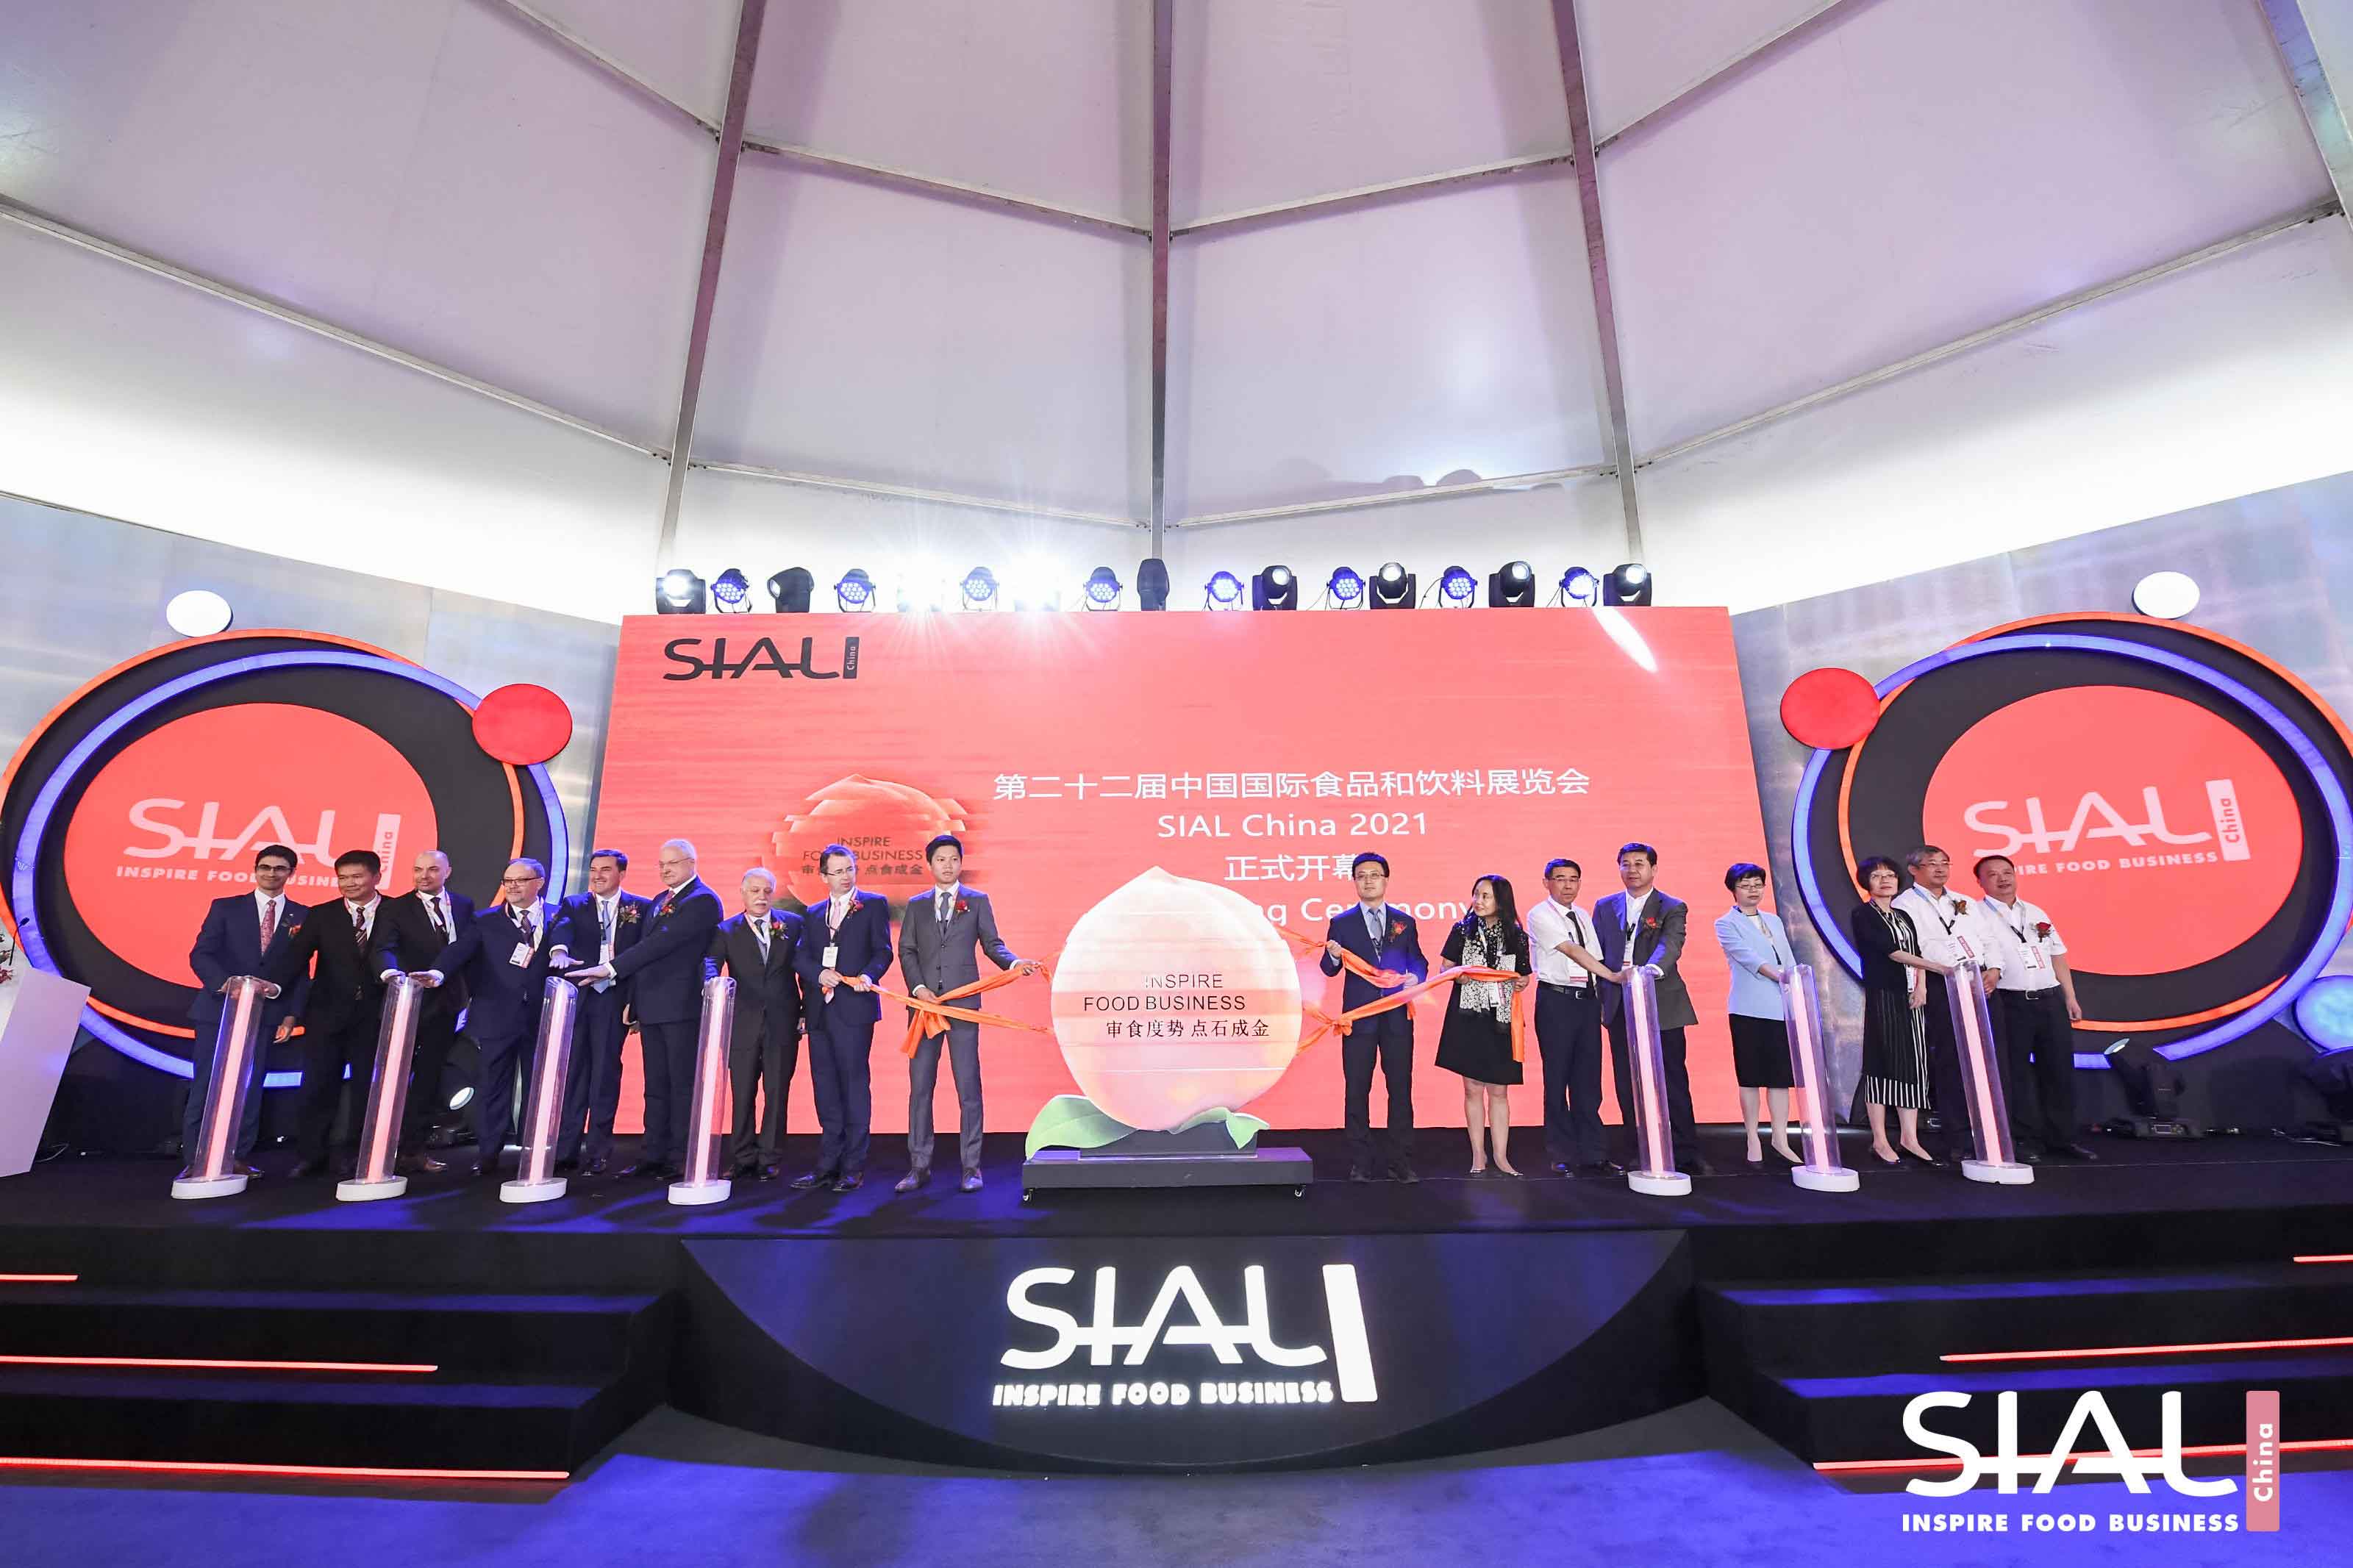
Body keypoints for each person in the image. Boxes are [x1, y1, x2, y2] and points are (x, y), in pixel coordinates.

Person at [565, 839, 721, 1181]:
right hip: (651, 1007)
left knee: (681, 1085)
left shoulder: (703, 900)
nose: (666, 869)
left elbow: (660, 944)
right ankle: (653, 1155)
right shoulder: (660, 900)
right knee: (655, 1086)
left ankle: (680, 1157)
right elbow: (645, 956)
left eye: (673, 863)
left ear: (691, 863)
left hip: (681, 1007)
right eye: (661, 864)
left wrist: (610, 969)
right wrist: (633, 1003)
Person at [896, 834, 1039, 1193]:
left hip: (963, 1007)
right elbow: (907, 950)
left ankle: (971, 1168)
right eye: (941, 859)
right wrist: (918, 988)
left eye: (954, 859)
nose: (948, 865)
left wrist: (1014, 964)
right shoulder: (916, 905)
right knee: (920, 1089)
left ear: (961, 863)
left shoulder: (976, 901)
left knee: (968, 1087)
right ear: (930, 865)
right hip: (925, 1008)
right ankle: (918, 1166)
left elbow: (993, 945)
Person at [419, 858, 561, 1178]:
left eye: (520, 880)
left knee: (543, 1085)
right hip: (497, 1014)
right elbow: (458, 951)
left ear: (539, 882)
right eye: (508, 880)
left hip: (545, 1015)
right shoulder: (485, 921)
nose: (512, 886)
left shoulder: (559, 915)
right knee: (493, 1084)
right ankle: (488, 1152)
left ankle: (539, 1149)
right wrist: (437, 972)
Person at [269, 849, 405, 1178]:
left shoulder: (398, 911)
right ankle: (311, 1155)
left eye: (357, 876)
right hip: (326, 1014)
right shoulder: (322, 914)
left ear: (377, 877)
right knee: (317, 1085)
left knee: (367, 1088)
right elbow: (295, 958)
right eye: (342, 878)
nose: (349, 884)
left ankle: (360, 1154)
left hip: (377, 1015)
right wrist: (272, 985)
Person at [179, 842, 307, 1180]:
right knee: (206, 1084)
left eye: (279, 868)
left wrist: (290, 1013)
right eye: (265, 867)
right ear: (255, 870)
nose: (271, 874)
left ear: (291, 873)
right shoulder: (226, 907)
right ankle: (196, 1157)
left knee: (250, 1086)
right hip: (217, 1011)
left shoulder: (303, 915)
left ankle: (237, 1156)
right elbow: (201, 954)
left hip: (266, 1014)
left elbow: (300, 969)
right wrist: (226, 984)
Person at [1593, 843, 1710, 1175]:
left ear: (1654, 869)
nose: (1632, 870)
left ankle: (1685, 1150)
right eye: (1625, 864)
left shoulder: (1672, 906)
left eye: (1639, 864)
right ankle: (1639, 1146)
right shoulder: (1605, 906)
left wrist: (1648, 973)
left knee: (1673, 1078)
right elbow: (1597, 950)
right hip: (1619, 1002)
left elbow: (1671, 944)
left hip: (1662, 1001)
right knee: (1627, 1079)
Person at [1974, 854, 2097, 1161]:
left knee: (2059, 1070)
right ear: (1980, 882)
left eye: (2007, 872)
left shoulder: (2035, 911)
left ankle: (2062, 1138)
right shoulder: (1976, 915)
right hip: (2010, 1001)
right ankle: (2023, 1139)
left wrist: (2070, 997)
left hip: (2050, 1000)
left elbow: (2058, 956)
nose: (2003, 879)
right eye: (1993, 874)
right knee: (2015, 1074)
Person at [1319, 851, 1429, 1183]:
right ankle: (1360, 1161)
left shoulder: (1404, 921)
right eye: (1362, 876)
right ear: (1354, 882)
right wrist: (1333, 956)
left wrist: (1416, 976)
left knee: (1400, 1088)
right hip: (1360, 1018)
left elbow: (1419, 960)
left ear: (1386, 880)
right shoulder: (1342, 923)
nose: (1368, 881)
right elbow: (1329, 969)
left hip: (1396, 1017)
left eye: (1374, 875)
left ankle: (1400, 1160)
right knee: (1357, 1089)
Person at [793, 843, 894, 1192]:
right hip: (819, 1010)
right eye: (837, 871)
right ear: (824, 877)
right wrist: (819, 973)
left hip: (854, 1008)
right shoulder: (812, 913)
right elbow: (800, 958)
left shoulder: (873, 905)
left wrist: (868, 975)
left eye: (849, 869)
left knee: (853, 1084)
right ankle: (826, 1165)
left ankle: (853, 1166)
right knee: (825, 1086)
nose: (845, 876)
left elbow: (883, 951)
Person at [1893, 845, 2004, 1159]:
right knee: (1952, 1061)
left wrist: (1994, 969)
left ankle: (1997, 1133)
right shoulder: (1904, 904)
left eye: (1945, 863)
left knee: (1993, 1058)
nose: (1940, 869)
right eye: (1932, 864)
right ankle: (1959, 1138)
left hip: (1981, 983)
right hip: (1942, 983)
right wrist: (1948, 970)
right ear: (1914, 870)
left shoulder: (1964, 900)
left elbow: (1988, 939)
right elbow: (1915, 947)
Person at [547, 848, 650, 1174]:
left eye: (605, 870)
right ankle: (566, 1149)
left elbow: (644, 958)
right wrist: (559, 951)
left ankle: (598, 1150)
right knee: (574, 1072)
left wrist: (636, 1003)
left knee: (605, 1073)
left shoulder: (641, 907)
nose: (597, 876)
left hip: (614, 999)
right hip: (580, 996)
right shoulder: (575, 904)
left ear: (622, 874)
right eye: (593, 870)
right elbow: (562, 928)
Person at [709, 867, 805, 1181]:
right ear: (743, 893)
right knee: (742, 1093)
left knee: (777, 1092)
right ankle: (743, 1157)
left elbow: (806, 969)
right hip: (742, 1023)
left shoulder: (793, 924)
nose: (761, 897)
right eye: (755, 891)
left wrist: (805, 1010)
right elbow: (711, 963)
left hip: (783, 1021)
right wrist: (712, 984)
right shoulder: (726, 930)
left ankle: (770, 1157)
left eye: (767, 891)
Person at [1435, 875, 1532, 1177]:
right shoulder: (1462, 930)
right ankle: (1479, 1154)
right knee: (1472, 1088)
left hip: (1501, 1019)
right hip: (1468, 1017)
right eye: (1476, 894)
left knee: (1499, 1091)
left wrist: (1522, 983)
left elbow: (1524, 975)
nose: (1478, 901)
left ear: (1501, 900)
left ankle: (1501, 1156)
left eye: (1486, 896)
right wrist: (1457, 975)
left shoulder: (1517, 935)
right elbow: (1445, 968)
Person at [1527, 858, 1618, 1177]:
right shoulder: (1539, 914)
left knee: (1589, 1081)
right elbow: (1571, 950)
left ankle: (1594, 1153)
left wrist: (1602, 996)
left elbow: (1594, 957)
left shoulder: (1582, 915)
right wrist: (1613, 976)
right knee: (1557, 1079)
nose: (1568, 885)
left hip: (1587, 1002)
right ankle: (1561, 1153)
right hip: (1557, 1002)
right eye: (1560, 879)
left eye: (1573, 879)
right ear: (1547, 882)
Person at [1852, 856, 1945, 1166]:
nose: (1885, 881)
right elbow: (1891, 952)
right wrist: (1938, 967)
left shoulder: (1903, 915)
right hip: (1885, 995)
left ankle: (1909, 1138)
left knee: (1914, 1063)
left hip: (1911, 997)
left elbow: (1915, 951)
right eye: (1877, 876)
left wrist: (1922, 986)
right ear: (1867, 883)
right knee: (1882, 1062)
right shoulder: (1863, 914)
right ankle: (1880, 1139)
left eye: (1890, 875)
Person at [386, 848, 474, 1173]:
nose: (424, 876)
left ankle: (415, 1149)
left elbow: (467, 949)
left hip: (446, 1005)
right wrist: (392, 975)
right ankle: (380, 1149)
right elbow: (384, 948)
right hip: (406, 1004)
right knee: (392, 1079)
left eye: (432, 870)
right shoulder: (395, 907)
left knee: (429, 1079)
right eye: (418, 869)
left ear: (447, 872)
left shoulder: (463, 905)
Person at [1713, 862, 1799, 1168]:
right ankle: (1752, 1137)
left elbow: (1788, 958)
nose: (1753, 890)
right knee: (1750, 1076)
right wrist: (1781, 975)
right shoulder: (1726, 924)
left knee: (1780, 1077)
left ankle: (1780, 1139)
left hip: (1781, 1008)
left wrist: (1795, 983)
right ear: (1733, 890)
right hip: (1747, 1008)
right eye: (1745, 885)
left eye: (1757, 885)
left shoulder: (1774, 920)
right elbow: (1748, 957)